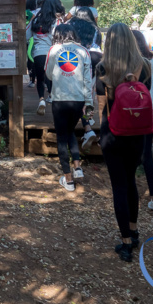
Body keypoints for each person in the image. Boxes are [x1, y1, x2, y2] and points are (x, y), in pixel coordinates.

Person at [95, 23, 152, 262]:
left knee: (118, 185)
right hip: (138, 133)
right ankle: (135, 228)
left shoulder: (103, 67)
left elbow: (101, 107)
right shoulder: (145, 67)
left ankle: (126, 243)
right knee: (131, 181)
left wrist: (100, 131)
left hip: (112, 132)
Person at [45, 24, 93, 191]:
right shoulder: (84, 51)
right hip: (78, 100)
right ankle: (78, 167)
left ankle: (68, 179)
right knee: (71, 131)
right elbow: (88, 79)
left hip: (59, 99)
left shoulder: (53, 50)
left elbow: (49, 74)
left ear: (57, 35)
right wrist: (89, 103)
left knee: (61, 137)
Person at [132, 30, 153, 213]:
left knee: (129, 152)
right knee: (147, 154)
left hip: (130, 113)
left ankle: (129, 195)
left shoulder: (129, 64)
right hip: (149, 113)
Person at [26, 0, 65, 115]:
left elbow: (27, 36)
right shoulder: (56, 21)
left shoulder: (35, 19)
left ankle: (41, 100)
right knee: (53, 78)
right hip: (52, 54)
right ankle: (52, 97)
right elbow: (58, 39)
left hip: (38, 55)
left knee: (40, 79)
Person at [69, 16, 101, 150]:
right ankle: (87, 127)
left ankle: (85, 127)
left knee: (77, 95)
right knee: (88, 95)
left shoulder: (73, 51)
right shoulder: (94, 30)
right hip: (93, 57)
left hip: (78, 60)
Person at [25, 0, 38, 88]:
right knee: (31, 57)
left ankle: (31, 79)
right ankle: (34, 78)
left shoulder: (26, 11)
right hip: (31, 38)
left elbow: (33, 17)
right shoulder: (30, 12)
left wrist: (27, 25)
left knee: (30, 58)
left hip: (28, 38)